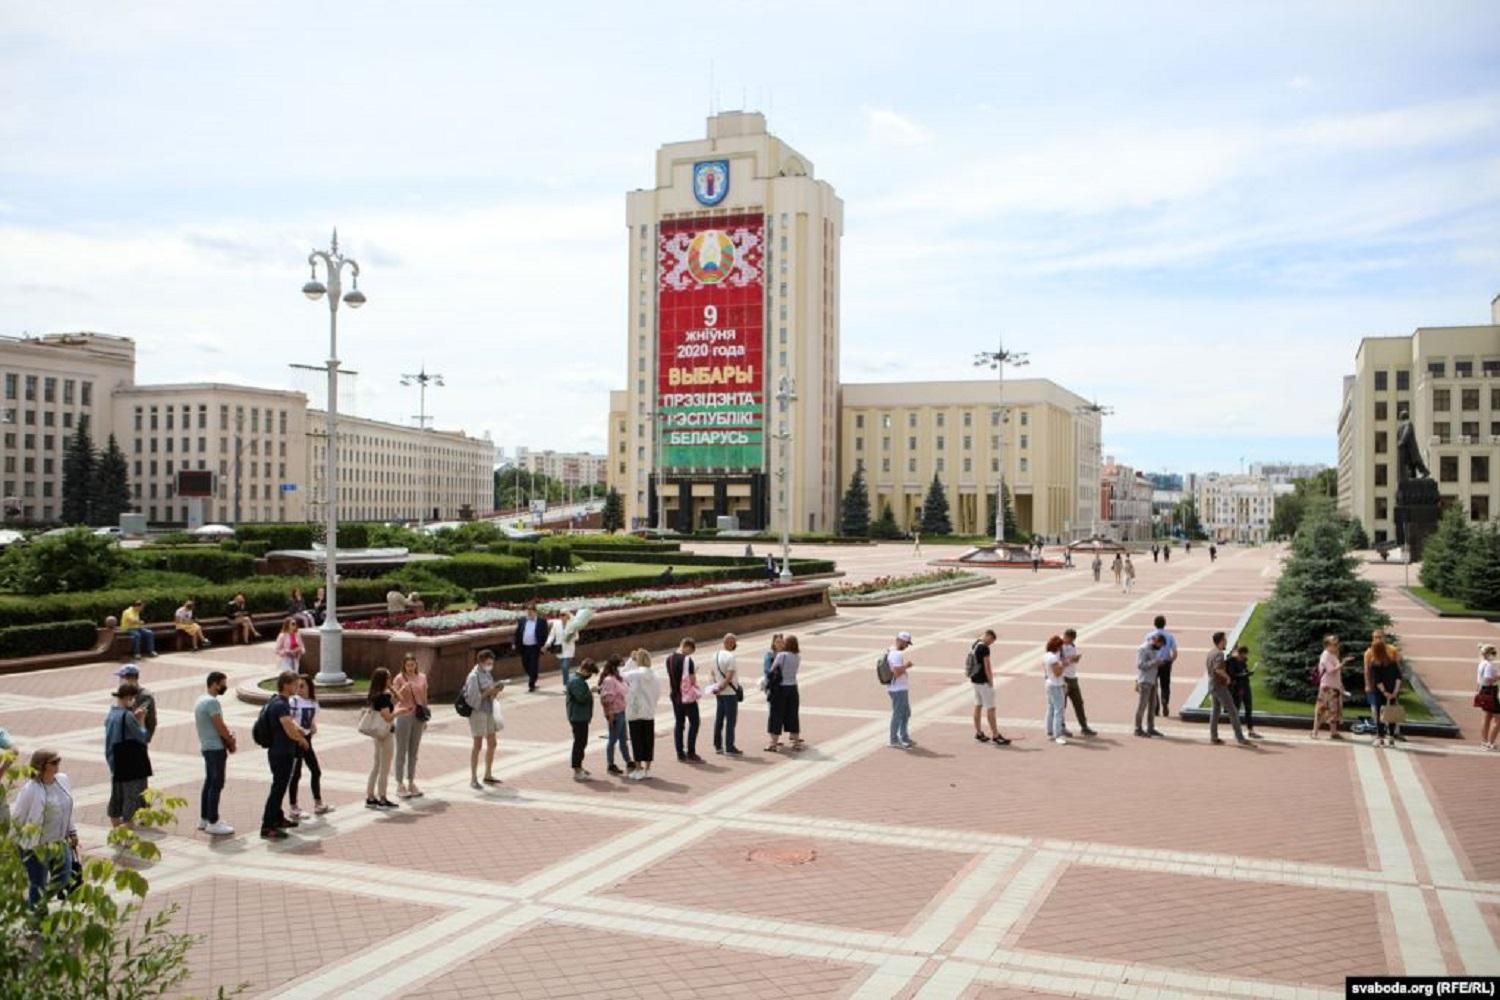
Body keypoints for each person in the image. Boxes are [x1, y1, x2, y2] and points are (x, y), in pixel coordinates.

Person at [12, 749, 80, 909]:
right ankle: (36, 921)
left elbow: (66, 808)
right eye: (54, 762)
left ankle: (33, 905)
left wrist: (72, 831)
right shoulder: (30, 790)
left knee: (63, 878)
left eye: (59, 761)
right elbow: (18, 819)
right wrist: (14, 844)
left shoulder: (63, 780)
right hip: (36, 847)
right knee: (38, 884)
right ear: (42, 766)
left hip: (59, 843)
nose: (58, 765)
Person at [259, 670, 309, 841]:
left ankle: (278, 818)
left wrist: (298, 728)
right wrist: (301, 739)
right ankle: (267, 825)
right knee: (278, 788)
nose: (298, 687)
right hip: (281, 752)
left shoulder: (277, 701)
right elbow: (287, 727)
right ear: (286, 685)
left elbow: (289, 722)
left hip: (278, 751)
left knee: (280, 786)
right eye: (295, 684)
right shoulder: (280, 704)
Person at [193, 671, 236, 836]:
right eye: (223, 684)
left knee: (209, 782)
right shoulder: (212, 703)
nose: (224, 687)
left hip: (206, 746)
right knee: (216, 784)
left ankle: (204, 819)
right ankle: (213, 821)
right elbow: (220, 726)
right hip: (215, 748)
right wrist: (230, 738)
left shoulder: (201, 700)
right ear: (215, 684)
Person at [105, 681, 152, 829]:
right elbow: (142, 736)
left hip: (116, 760)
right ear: (129, 698)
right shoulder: (128, 716)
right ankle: (127, 833)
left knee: (117, 797)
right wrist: (142, 720)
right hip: (132, 762)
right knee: (132, 797)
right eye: (134, 699)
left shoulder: (112, 714)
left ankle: (116, 830)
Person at [288, 675, 330, 818]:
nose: (299, 689)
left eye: (302, 686)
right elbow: (289, 719)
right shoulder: (293, 701)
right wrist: (298, 729)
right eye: (297, 686)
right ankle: (293, 807)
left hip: (307, 739)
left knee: (316, 771)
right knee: (296, 774)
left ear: (309, 687)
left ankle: (318, 803)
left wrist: (312, 726)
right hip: (296, 740)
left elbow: (310, 720)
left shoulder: (313, 702)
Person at [465, 650, 505, 788]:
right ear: (481, 662)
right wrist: (488, 691)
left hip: (489, 710)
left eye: (492, 663)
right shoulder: (473, 676)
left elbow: (490, 692)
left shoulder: (487, 673)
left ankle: (488, 774)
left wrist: (496, 690)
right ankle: (473, 778)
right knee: (478, 745)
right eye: (488, 663)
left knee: (492, 743)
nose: (490, 665)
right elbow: (472, 699)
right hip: (478, 712)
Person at [391, 653, 429, 799]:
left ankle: (411, 781)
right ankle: (399, 784)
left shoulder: (422, 677)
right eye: (408, 665)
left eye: (413, 665)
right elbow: (394, 699)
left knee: (414, 751)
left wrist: (425, 717)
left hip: (418, 716)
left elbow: (424, 697)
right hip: (403, 715)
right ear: (404, 665)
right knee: (401, 750)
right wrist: (403, 689)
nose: (410, 668)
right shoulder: (399, 678)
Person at [622, 648, 662, 780]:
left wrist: (629, 661)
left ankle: (638, 769)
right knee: (648, 741)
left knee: (637, 741)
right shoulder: (655, 676)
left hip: (635, 712)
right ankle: (648, 769)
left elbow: (622, 674)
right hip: (649, 712)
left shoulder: (637, 673)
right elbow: (657, 694)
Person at [1206, 631, 1249, 745]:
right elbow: (1218, 669)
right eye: (1225, 640)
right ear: (1221, 641)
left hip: (1212, 685)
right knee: (1233, 711)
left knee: (1215, 711)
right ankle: (1240, 738)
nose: (1226, 642)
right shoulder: (1219, 654)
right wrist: (1227, 677)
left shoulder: (1211, 652)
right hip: (1219, 686)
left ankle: (1213, 737)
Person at [364, 667, 398, 810]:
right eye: (389, 678)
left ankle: (370, 796)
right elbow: (387, 716)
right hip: (385, 733)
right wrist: (399, 712)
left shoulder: (375, 695)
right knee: (384, 767)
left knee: (377, 765)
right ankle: (382, 797)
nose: (390, 680)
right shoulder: (383, 697)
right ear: (383, 680)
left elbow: (396, 700)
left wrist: (393, 690)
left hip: (377, 734)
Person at [666, 637, 703, 762]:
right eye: (690, 651)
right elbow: (692, 680)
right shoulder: (687, 660)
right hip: (687, 697)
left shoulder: (669, 659)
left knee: (679, 724)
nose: (690, 654)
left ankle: (680, 753)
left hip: (675, 696)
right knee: (695, 722)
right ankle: (691, 752)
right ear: (687, 646)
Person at [969, 629, 1008, 744]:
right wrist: (991, 680)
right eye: (991, 641)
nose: (990, 643)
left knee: (978, 705)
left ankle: (979, 732)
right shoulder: (984, 648)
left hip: (975, 680)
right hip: (983, 682)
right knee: (991, 708)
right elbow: (987, 665)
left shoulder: (975, 644)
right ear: (988, 636)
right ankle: (995, 735)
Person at [598, 655, 634, 776]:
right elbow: (607, 699)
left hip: (622, 711)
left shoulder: (618, 678)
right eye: (619, 666)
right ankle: (610, 764)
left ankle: (628, 761)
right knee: (613, 740)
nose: (620, 669)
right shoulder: (609, 680)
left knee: (623, 739)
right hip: (615, 713)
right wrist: (610, 715)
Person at [768, 635, 804, 752]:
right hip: (793, 687)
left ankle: (773, 743)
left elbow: (772, 670)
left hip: (781, 689)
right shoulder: (797, 657)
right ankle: (796, 742)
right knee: (793, 714)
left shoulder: (781, 655)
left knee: (776, 714)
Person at [1366, 635, 1403, 747]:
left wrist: (1385, 692)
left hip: (1380, 693)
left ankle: (1380, 737)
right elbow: (1398, 676)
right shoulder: (1392, 661)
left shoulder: (1374, 663)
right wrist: (1395, 692)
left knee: (1379, 714)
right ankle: (1391, 737)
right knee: (1391, 713)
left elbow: (1378, 681)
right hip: (1393, 691)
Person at [566, 658, 599, 780]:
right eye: (589, 673)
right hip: (578, 717)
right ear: (584, 670)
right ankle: (577, 769)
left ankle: (579, 766)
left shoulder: (578, 680)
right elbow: (581, 698)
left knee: (582, 742)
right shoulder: (576, 681)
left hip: (581, 716)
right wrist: (591, 691)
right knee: (579, 743)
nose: (590, 676)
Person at [1059, 628, 1095, 737]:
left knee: (1079, 703)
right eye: (1069, 639)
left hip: (1073, 678)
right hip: (1063, 679)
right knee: (1062, 705)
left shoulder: (1072, 645)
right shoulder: (1058, 647)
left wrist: (1075, 659)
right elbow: (1058, 663)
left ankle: (1084, 726)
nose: (1071, 641)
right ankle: (1061, 727)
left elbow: (1070, 660)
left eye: (1072, 640)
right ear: (1066, 636)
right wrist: (1070, 659)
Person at [712, 633, 743, 755]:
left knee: (719, 719)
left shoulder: (715, 655)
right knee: (730, 720)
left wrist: (716, 687)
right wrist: (722, 686)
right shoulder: (731, 657)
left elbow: (712, 673)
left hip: (719, 693)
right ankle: (729, 746)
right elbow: (729, 676)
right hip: (729, 693)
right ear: (731, 643)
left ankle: (718, 745)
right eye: (734, 643)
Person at [1312, 635, 1348, 740]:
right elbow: (1330, 670)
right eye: (1334, 644)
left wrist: (1340, 685)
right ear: (1327, 645)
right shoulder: (1326, 655)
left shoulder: (1333, 655)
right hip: (1327, 687)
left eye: (1337, 644)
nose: (1337, 646)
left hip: (1334, 687)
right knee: (1321, 709)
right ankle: (1315, 732)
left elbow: (1337, 674)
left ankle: (1333, 732)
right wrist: (1342, 663)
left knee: (1334, 710)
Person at [113, 663, 157, 742]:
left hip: (137, 738)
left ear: (132, 678)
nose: (120, 680)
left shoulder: (145, 695)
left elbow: (140, 718)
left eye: (122, 677)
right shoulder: (124, 693)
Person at [1134, 633, 1167, 737]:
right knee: (1142, 706)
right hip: (1145, 681)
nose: (1160, 647)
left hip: (1153, 681)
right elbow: (1140, 665)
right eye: (1160, 645)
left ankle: (1150, 728)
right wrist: (1155, 662)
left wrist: (1159, 663)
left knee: (1152, 706)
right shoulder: (1143, 649)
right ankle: (1138, 728)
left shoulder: (1154, 649)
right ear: (1155, 641)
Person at [886, 631, 915, 749]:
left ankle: (904, 736)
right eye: (906, 643)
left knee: (906, 713)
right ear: (901, 641)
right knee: (898, 714)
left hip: (898, 688)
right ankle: (894, 739)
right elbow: (897, 672)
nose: (907, 646)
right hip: (898, 689)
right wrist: (907, 666)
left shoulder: (891, 651)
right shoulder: (896, 654)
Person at [1146, 616, 1179, 718]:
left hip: (1154, 663)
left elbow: (1146, 650)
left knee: (1153, 685)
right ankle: (1165, 701)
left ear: (1154, 624)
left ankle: (1156, 707)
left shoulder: (1149, 635)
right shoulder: (1170, 636)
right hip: (1165, 662)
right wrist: (1171, 661)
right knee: (1165, 685)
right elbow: (1175, 652)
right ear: (1165, 624)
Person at [1226, 644, 1260, 738]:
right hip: (1237, 688)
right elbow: (1232, 675)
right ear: (1240, 654)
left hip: (1245, 686)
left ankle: (1251, 730)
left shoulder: (1243, 661)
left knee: (1248, 708)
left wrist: (1248, 672)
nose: (1245, 657)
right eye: (1244, 655)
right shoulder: (1231, 661)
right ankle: (1237, 731)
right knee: (1236, 710)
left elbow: (1244, 670)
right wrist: (1245, 674)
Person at [514, 604, 547, 692]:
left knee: (533, 665)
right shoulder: (522, 620)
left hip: (535, 647)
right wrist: (514, 643)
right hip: (524, 647)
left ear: (535, 612)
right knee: (525, 664)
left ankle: (531, 684)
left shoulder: (541, 621)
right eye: (528, 612)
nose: (529, 613)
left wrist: (544, 645)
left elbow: (545, 634)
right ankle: (534, 676)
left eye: (531, 612)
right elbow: (517, 633)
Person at [546, 609, 583, 687]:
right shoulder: (556, 624)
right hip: (559, 649)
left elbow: (577, 637)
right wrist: (548, 643)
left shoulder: (572, 624)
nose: (562, 617)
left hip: (569, 649)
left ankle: (566, 684)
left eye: (564, 615)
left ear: (567, 616)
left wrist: (570, 638)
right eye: (560, 615)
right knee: (564, 668)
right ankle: (572, 679)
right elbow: (552, 635)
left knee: (565, 667)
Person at [1476, 644, 1500, 751]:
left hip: (1483, 691)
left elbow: (1480, 680)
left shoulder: (1481, 664)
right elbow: (1488, 679)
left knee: (1487, 717)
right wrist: (1499, 676)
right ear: (1488, 654)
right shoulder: (1489, 665)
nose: (1495, 655)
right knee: (1497, 719)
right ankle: (1491, 742)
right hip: (1491, 691)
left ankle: (1484, 741)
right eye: (1494, 653)